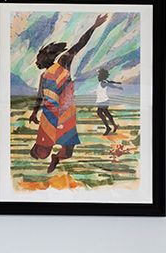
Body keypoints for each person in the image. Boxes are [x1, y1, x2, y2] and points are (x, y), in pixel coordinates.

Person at [29, 12, 109, 173]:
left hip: (62, 113)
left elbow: (80, 44)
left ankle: (55, 158)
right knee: (42, 153)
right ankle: (46, 154)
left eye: (39, 59)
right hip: (53, 114)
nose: (37, 62)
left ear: (47, 58)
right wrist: (34, 113)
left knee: (66, 150)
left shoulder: (63, 62)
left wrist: (94, 26)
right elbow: (40, 96)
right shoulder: (44, 75)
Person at [95, 66, 121, 135]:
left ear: (102, 76)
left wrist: (117, 87)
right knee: (106, 113)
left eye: (99, 75)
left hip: (103, 101)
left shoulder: (103, 82)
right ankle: (113, 126)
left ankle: (108, 127)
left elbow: (110, 85)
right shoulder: (104, 81)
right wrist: (116, 83)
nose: (98, 77)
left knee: (100, 113)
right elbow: (110, 82)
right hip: (102, 100)